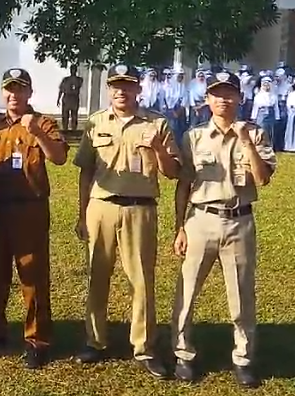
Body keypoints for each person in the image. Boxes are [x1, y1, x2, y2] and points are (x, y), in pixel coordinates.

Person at [72, 63, 180, 378]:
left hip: (140, 208)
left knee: (142, 281)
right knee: (97, 275)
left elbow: (173, 172)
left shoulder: (157, 124)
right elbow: (85, 171)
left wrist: (159, 150)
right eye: (116, 85)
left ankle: (144, 347)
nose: (121, 91)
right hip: (101, 207)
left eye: (128, 85)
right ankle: (95, 340)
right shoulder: (95, 123)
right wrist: (82, 214)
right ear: (109, 89)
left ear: (138, 89)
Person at [171, 69, 276, 388]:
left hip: (239, 220)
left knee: (242, 295)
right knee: (186, 292)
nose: (223, 99)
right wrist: (179, 228)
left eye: (230, 93)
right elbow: (184, 183)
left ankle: (243, 358)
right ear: (207, 99)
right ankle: (182, 353)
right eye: (217, 93)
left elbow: (263, 178)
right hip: (200, 220)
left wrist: (246, 141)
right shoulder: (193, 136)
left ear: (240, 98)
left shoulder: (255, 133)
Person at [0, 67, 68, 369]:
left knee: (33, 276)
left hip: (29, 208)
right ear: (3, 93)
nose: (14, 95)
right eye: (9, 89)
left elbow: (59, 157)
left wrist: (37, 133)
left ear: (30, 93)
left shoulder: (43, 122)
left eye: (20, 89)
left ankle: (37, 339)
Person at [251, 76, 278, 144]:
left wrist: (277, 117)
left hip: (271, 114)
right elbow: (255, 107)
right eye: (265, 85)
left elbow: (276, 107)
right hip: (261, 114)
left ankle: (269, 145)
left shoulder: (274, 96)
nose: (266, 86)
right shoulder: (258, 96)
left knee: (270, 130)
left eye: (268, 84)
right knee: (261, 129)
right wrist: (253, 117)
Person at [58, 65, 83, 131]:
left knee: (74, 115)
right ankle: (65, 129)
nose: (73, 71)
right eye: (72, 69)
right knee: (65, 115)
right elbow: (61, 89)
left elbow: (78, 85)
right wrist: (58, 99)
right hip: (67, 97)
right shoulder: (65, 79)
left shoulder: (79, 79)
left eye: (74, 69)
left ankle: (73, 129)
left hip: (74, 98)